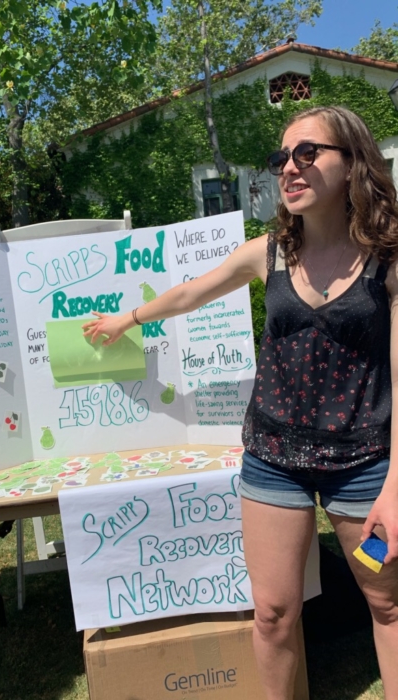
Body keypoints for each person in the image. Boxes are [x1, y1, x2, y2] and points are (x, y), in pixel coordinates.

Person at [83, 105, 398, 699]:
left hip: (365, 468)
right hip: (273, 460)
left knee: (387, 602)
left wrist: (396, 487)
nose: (290, 167)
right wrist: (128, 318)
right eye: (282, 157)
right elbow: (189, 293)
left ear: (353, 162)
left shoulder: (388, 260)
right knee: (274, 612)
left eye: (308, 152)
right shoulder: (270, 252)